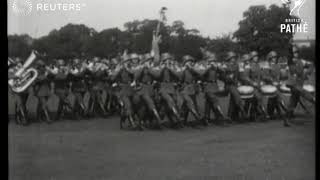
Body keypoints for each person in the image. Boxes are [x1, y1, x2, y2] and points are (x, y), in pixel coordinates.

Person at [285, 46, 315, 126]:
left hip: (298, 84)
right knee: (308, 96)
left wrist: (307, 72)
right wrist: (303, 73)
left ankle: (287, 119)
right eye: (294, 52)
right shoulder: (290, 62)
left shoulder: (300, 61)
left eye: (297, 52)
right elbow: (295, 71)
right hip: (293, 85)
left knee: (293, 101)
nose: (296, 54)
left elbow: (311, 65)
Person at [201, 53, 230, 124]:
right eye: (211, 61)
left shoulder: (216, 68)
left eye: (214, 61)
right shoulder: (205, 67)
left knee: (208, 103)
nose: (212, 62)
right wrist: (208, 68)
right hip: (208, 86)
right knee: (215, 101)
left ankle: (206, 117)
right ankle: (220, 116)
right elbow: (201, 75)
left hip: (215, 86)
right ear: (208, 61)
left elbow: (223, 72)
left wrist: (217, 67)